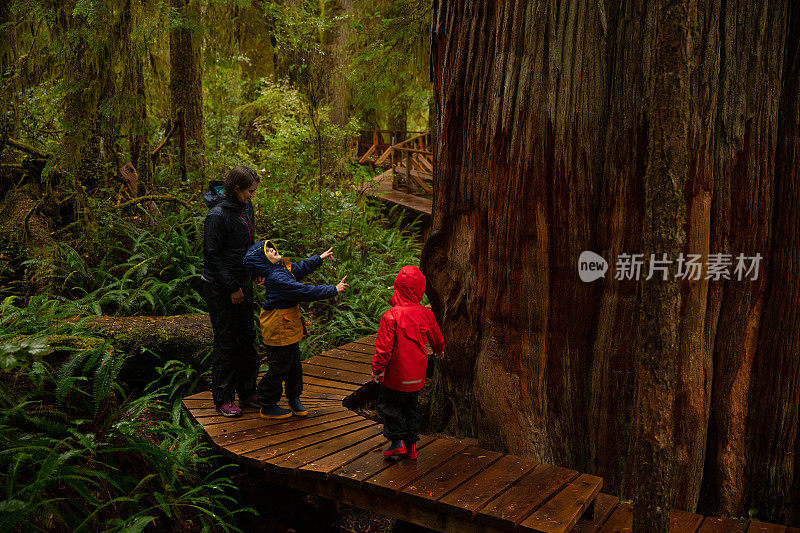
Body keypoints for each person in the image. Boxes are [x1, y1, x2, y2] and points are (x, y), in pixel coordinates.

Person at [243, 239, 349, 419]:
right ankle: (267, 403)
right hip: (278, 328)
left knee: (293, 366)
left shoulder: (279, 270)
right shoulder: (276, 278)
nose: (272, 249)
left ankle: (294, 397)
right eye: (267, 250)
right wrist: (333, 289)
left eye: (271, 247)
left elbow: (299, 268)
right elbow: (304, 291)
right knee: (279, 368)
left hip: (287, 326)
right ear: (263, 261)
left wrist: (319, 258)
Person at [201, 165, 261, 418]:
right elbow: (212, 258)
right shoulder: (216, 216)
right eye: (249, 191)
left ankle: (247, 391)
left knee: (248, 339)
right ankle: (223, 398)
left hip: (243, 281)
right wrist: (233, 286)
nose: (252, 196)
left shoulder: (246, 208)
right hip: (220, 287)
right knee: (227, 343)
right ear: (236, 189)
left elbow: (248, 243)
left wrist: (257, 267)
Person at [371, 265, 445, 460]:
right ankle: (412, 445)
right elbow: (436, 337)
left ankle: (397, 443)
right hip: (416, 375)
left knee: (390, 406)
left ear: (397, 287)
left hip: (395, 376)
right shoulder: (425, 314)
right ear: (421, 289)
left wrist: (377, 370)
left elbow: (384, 348)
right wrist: (439, 350)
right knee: (412, 407)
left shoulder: (390, 316)